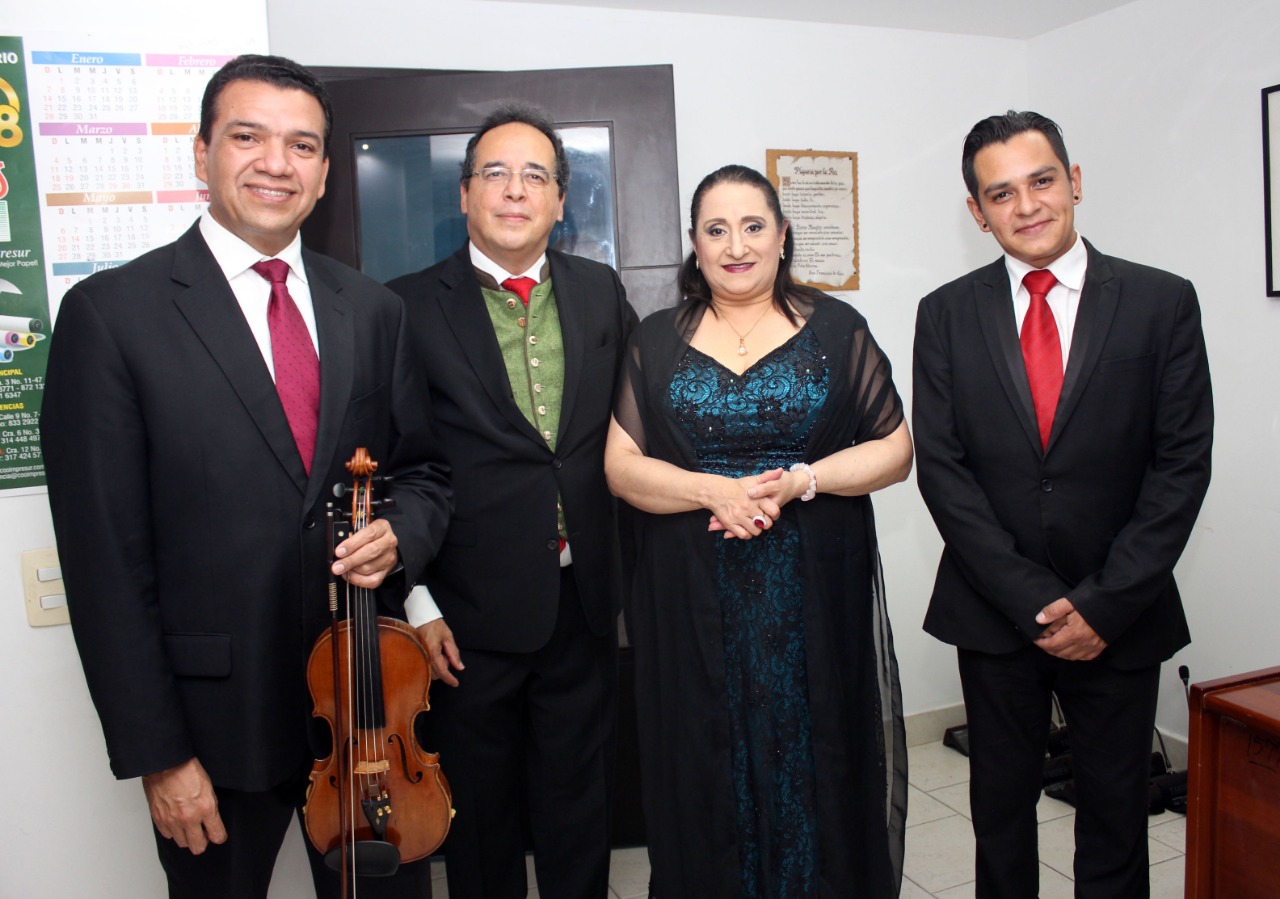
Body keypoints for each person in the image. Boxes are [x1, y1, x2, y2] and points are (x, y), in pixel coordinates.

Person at [40, 54, 452, 899]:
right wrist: (159, 754)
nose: (277, 162)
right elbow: (104, 565)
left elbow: (424, 471)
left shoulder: (372, 309)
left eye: (302, 145)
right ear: (201, 155)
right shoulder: (112, 316)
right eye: (247, 137)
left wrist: (399, 533)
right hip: (212, 732)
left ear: (327, 171)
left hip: (363, 719)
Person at [913, 110, 1213, 898]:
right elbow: (943, 470)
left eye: (1042, 180)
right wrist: (1032, 600)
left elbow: (1180, 466)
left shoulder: (1161, 301)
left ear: (1074, 182)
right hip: (994, 610)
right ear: (978, 213)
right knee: (999, 813)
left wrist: (1103, 605)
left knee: (1116, 813)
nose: (1027, 204)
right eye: (1000, 192)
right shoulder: (944, 313)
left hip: (1120, 610)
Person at [604, 164, 912, 897]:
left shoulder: (839, 329)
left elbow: (895, 450)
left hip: (811, 590)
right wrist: (706, 487)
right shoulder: (654, 338)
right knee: (703, 760)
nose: (735, 245)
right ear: (694, 244)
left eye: (752, 226)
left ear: (781, 235)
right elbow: (620, 465)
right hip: (689, 596)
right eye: (716, 229)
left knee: (813, 751)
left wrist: (806, 478)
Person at [386, 103, 637, 899]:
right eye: (495, 172)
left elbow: (638, 430)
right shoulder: (402, 308)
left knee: (579, 807)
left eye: (537, 176)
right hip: (463, 616)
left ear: (561, 201)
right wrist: (416, 602)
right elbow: (392, 466)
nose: (515, 190)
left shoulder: (600, 291)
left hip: (584, 602)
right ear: (463, 194)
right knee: (481, 818)